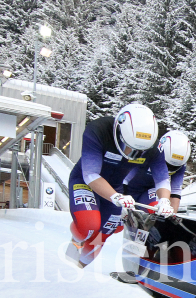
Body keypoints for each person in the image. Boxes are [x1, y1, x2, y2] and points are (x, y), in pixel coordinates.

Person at [65, 103, 171, 268]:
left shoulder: (153, 147)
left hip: (115, 187)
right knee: (89, 226)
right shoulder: (98, 130)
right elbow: (90, 174)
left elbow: (162, 178)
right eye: (129, 148)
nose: (131, 155)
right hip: (85, 181)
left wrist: (164, 200)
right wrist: (116, 196)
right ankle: (73, 247)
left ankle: (79, 269)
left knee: (104, 234)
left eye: (139, 152)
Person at [125, 130, 192, 214]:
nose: (166, 169)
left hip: (151, 192)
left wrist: (172, 215)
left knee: (159, 205)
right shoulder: (149, 153)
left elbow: (175, 190)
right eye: (166, 164)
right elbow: (124, 178)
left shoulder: (181, 164)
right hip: (127, 190)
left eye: (173, 167)